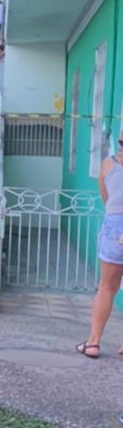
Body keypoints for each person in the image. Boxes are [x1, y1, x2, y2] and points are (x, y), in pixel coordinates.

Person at [77, 137, 123, 358]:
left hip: (115, 227)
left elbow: (106, 199)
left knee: (106, 287)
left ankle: (93, 343)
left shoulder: (108, 164)